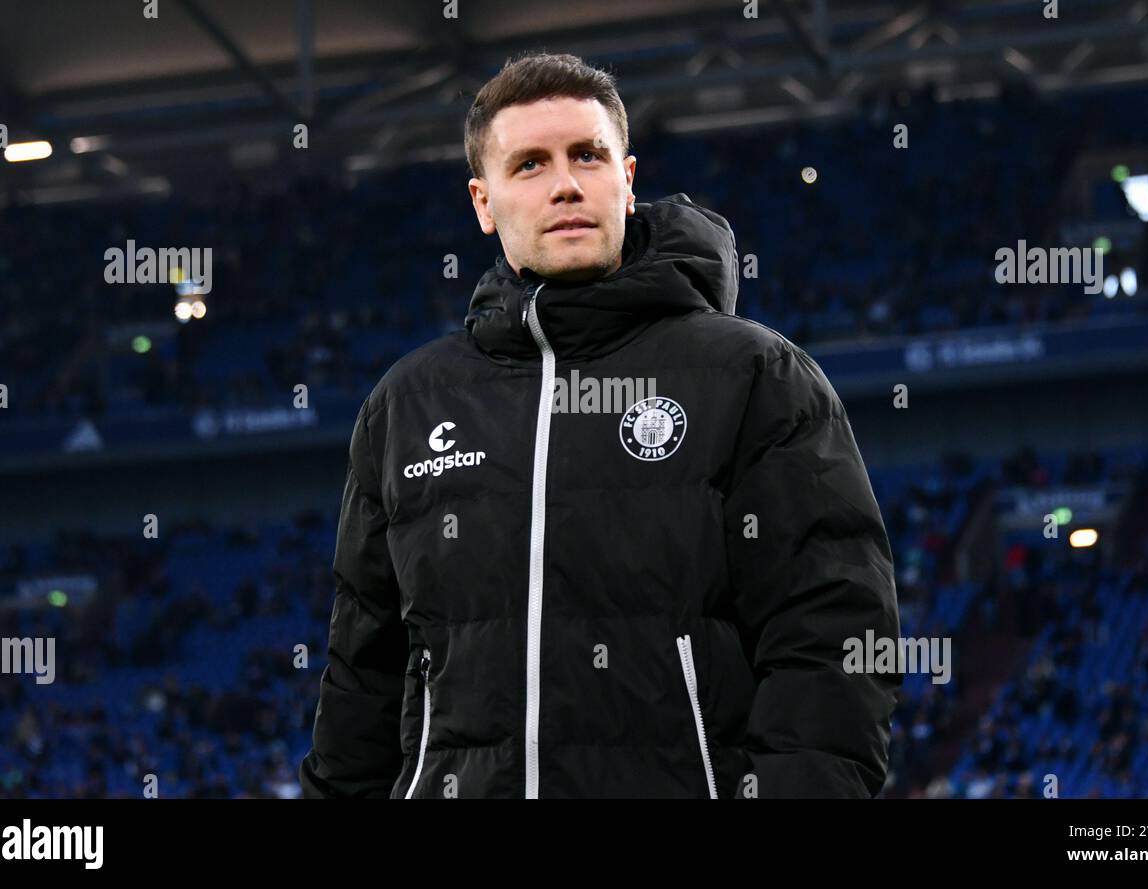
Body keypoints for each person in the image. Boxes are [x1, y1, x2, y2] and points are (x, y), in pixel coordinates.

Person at [300, 51, 901, 798]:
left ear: (627, 178)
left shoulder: (753, 376)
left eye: (588, 154)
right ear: (483, 203)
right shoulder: (407, 406)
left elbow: (834, 640)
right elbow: (365, 674)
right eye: (529, 165)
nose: (565, 184)